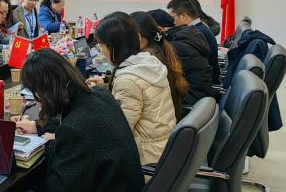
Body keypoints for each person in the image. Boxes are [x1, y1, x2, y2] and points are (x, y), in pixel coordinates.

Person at [9, 49, 144, 192]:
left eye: (35, 95)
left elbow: (59, 190)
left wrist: (46, 148)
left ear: (44, 92)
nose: (37, 102)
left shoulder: (76, 129)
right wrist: (39, 128)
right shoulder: (99, 95)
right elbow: (79, 126)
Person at [91, 12, 176, 164]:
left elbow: (116, 131)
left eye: (101, 45)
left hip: (145, 157)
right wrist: (105, 86)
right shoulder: (148, 62)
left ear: (115, 46)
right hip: (160, 148)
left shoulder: (128, 81)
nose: (101, 51)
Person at [130, 11, 189, 121]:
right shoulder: (160, 51)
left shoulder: (148, 62)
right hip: (170, 119)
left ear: (138, 37)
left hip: (160, 124)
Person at [148, 9, 213, 106]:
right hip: (196, 98)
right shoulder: (185, 37)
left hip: (188, 103)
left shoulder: (176, 47)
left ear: (159, 30)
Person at [167, 0, 220, 84]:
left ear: (184, 16)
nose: (173, 22)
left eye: (173, 18)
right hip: (205, 78)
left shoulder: (196, 33)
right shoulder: (200, 28)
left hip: (206, 82)